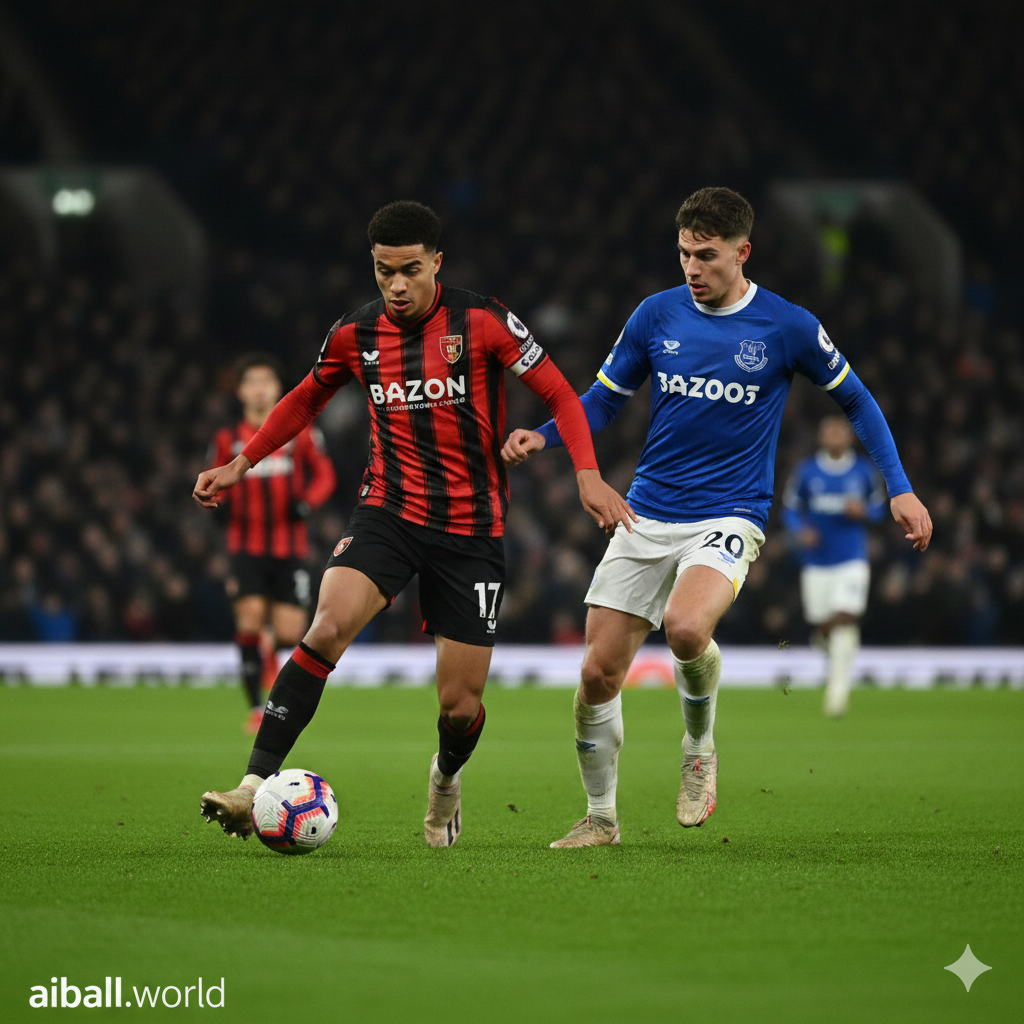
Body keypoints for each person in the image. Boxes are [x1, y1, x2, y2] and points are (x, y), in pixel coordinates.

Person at [502, 186, 932, 847]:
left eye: (706, 256)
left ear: (742, 252)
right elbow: (601, 402)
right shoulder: (656, 315)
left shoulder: (786, 326)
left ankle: (699, 747)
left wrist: (898, 487)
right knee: (596, 674)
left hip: (730, 513)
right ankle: (601, 818)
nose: (692, 269)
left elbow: (859, 401)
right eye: (683, 255)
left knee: (684, 626)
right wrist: (545, 435)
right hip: (647, 510)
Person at [194, 201, 634, 847]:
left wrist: (587, 475)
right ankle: (254, 785)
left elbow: (563, 395)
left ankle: (445, 779)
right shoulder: (356, 333)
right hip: (389, 510)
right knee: (325, 627)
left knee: (459, 707)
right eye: (382, 271)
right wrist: (242, 462)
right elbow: (305, 398)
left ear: (436, 262)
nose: (396, 286)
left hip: (471, 528)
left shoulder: (481, 320)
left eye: (409, 270)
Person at [209, 354, 337, 734]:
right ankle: (254, 706)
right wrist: (216, 504)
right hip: (245, 546)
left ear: (279, 389)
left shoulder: (302, 433)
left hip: (290, 547)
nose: (261, 389)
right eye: (253, 381)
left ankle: (269, 647)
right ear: (242, 391)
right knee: (248, 620)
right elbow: (213, 479)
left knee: (288, 632)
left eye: (268, 381)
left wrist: (307, 503)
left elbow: (326, 475)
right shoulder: (225, 439)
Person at [782, 415, 885, 717]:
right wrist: (801, 530)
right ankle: (836, 662)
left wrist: (864, 510)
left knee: (844, 618)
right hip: (816, 561)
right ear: (822, 438)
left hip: (852, 558)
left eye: (840, 433)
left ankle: (836, 697)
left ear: (849, 438)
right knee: (823, 629)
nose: (835, 438)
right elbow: (790, 509)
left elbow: (880, 509)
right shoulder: (807, 471)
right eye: (830, 433)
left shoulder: (863, 471)